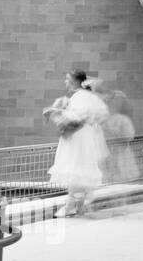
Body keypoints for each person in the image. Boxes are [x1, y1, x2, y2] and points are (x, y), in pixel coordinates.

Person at [47, 70, 110, 216]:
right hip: (86, 137)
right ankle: (79, 206)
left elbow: (75, 118)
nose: (65, 82)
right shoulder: (89, 97)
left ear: (75, 82)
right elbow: (101, 114)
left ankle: (71, 206)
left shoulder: (79, 97)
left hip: (78, 138)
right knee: (81, 170)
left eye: (67, 79)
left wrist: (57, 112)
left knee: (75, 169)